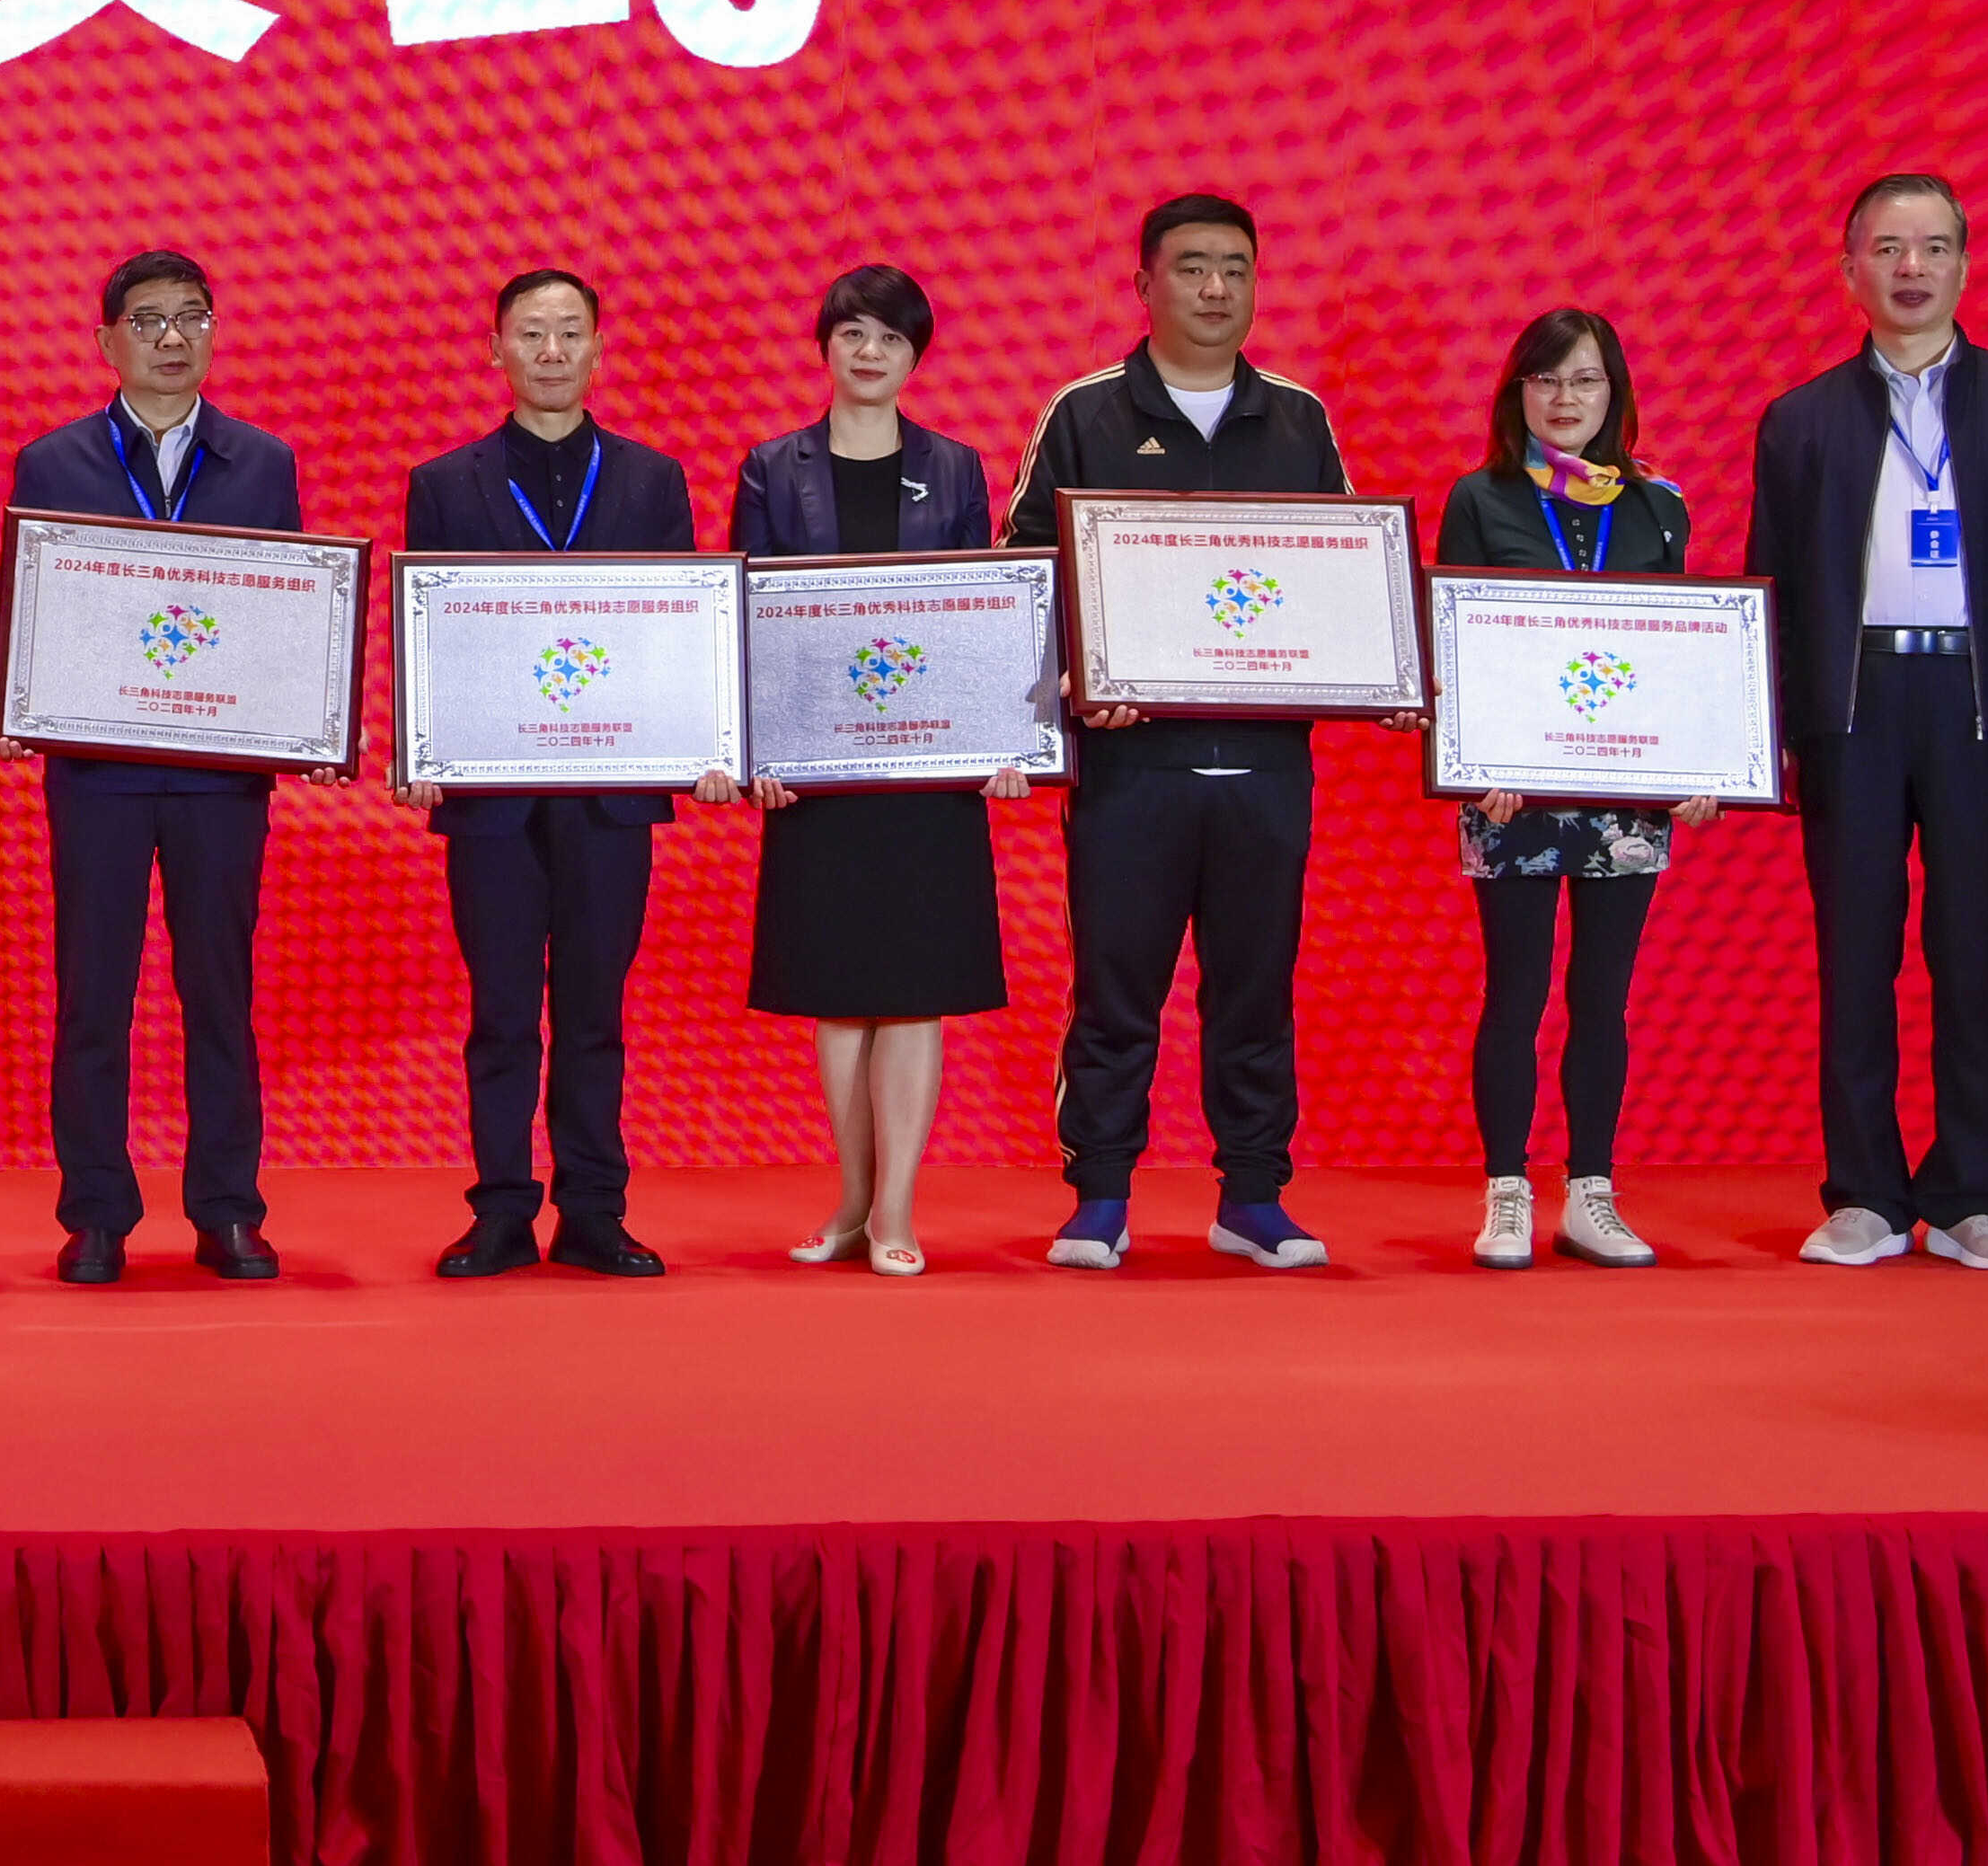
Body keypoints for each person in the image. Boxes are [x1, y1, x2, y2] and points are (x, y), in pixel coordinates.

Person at [1745, 174, 1988, 1270]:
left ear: (1963, 266)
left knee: (1971, 955)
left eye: (1935, 247)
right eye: (1889, 248)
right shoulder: (1800, 420)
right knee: (1854, 956)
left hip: (1981, 706)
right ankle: (1862, 1193)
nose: (1912, 268)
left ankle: (1967, 1199)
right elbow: (1770, 588)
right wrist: (1771, 732)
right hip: (1850, 707)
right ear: (1848, 269)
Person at [1004, 192, 1355, 1274]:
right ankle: (1100, 1196)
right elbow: (1022, 568)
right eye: (1193, 267)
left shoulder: (1298, 420)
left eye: (1235, 269)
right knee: (1116, 990)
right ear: (1143, 284)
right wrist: (1072, 679)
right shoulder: (1085, 414)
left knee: (1256, 986)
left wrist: (1375, 672)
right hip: (1131, 761)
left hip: (1264, 762)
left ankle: (1252, 1197)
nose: (1215, 289)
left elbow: (1349, 573)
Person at [0, 249, 311, 1285]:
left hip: (220, 778)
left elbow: (292, 611)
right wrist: (12, 690)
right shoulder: (53, 462)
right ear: (107, 342)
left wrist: (306, 717)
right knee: (94, 996)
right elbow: (11, 605)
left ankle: (227, 1209)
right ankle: (95, 1214)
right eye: (149, 320)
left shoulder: (262, 462)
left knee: (220, 994)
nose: (172, 338)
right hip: (98, 775)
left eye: (192, 317)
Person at [397, 267, 724, 1278]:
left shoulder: (650, 480)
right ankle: (500, 1209)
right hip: (489, 797)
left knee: (593, 1013)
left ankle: (593, 1209)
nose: (550, 351)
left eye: (569, 332)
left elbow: (677, 630)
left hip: (612, 793)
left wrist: (704, 743)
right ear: (494, 350)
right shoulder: (444, 483)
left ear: (597, 350)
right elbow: (427, 630)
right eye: (530, 333)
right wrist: (419, 744)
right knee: (500, 1014)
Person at [729, 264, 1017, 1280]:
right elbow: (748, 619)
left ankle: (896, 1208)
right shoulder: (773, 467)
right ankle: (850, 1200)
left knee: (912, 989)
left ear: (914, 356)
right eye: (852, 332)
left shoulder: (955, 468)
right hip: (818, 771)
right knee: (840, 992)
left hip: (926, 768)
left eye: (890, 338)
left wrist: (1001, 742)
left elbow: (981, 614)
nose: (868, 352)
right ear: (824, 345)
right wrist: (760, 751)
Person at [1434, 309, 1717, 1272]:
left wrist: (1697, 768)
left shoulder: (1658, 505)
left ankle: (1590, 1190)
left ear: (1614, 393)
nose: (1565, 399)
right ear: (1517, 392)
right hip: (1510, 789)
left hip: (1625, 793)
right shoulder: (1481, 498)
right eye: (1546, 379)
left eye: (1585, 380)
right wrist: (1476, 761)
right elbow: (1455, 641)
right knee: (1514, 992)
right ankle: (1506, 1191)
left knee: (1603, 995)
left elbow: (1678, 652)